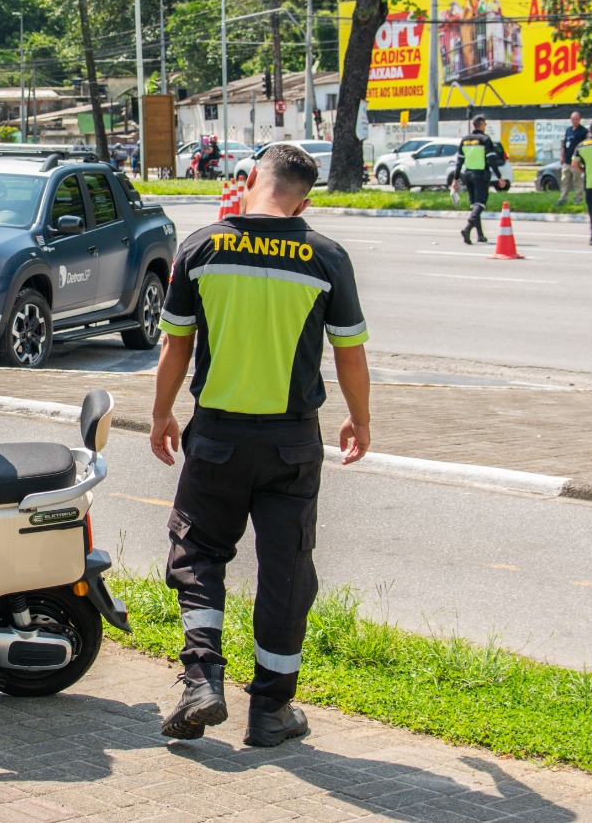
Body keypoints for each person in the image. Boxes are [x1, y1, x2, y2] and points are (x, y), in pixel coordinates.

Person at [149, 144, 371, 748]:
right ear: (304, 199)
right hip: (292, 444)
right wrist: (360, 419)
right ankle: (270, 712)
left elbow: (175, 347)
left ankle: (202, 679)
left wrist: (162, 413)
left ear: (250, 180)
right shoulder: (325, 256)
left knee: (197, 554)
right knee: (286, 571)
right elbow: (350, 352)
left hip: (217, 436)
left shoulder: (202, 248)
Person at [448, 115, 507, 246]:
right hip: (480, 175)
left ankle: (480, 235)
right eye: (485, 124)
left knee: (474, 205)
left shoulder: (465, 140)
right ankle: (467, 228)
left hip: (468, 175)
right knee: (480, 203)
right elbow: (491, 160)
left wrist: (455, 179)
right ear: (481, 125)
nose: (485, 126)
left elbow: (459, 162)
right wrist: (499, 177)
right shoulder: (485, 139)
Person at [556, 111, 586, 205]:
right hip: (567, 160)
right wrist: (562, 156)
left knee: (577, 181)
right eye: (573, 119)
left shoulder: (583, 131)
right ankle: (563, 198)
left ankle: (578, 199)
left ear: (579, 119)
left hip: (577, 161)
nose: (574, 121)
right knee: (564, 181)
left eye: (576, 119)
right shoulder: (568, 130)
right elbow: (564, 144)